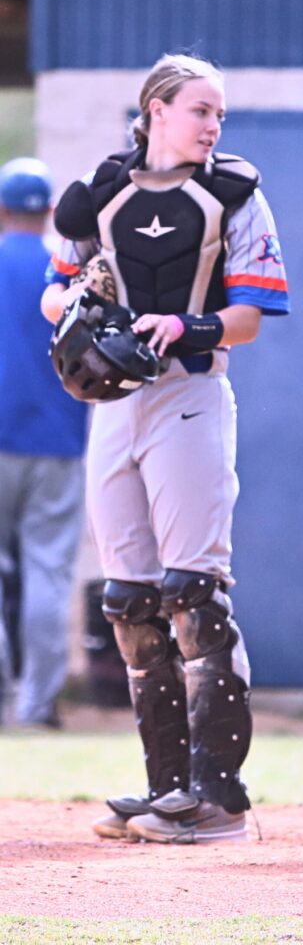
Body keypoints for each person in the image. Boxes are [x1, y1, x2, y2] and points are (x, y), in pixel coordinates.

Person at [41, 52, 290, 844]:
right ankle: (165, 792)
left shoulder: (233, 197)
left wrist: (185, 324)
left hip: (189, 394)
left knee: (194, 589)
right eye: (199, 110)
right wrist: (80, 304)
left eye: (219, 113)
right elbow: (54, 288)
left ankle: (219, 801)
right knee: (128, 597)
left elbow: (251, 316)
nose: (213, 125)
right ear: (155, 111)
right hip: (115, 408)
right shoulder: (100, 191)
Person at [0, 157, 88, 728]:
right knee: (47, 572)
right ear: (51, 211)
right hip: (57, 439)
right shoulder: (66, 270)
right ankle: (36, 706)